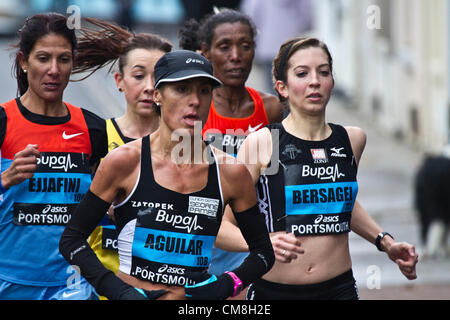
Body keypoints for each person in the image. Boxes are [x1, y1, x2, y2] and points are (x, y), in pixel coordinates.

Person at [59, 50, 275, 300]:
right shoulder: (125, 162)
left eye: (204, 91)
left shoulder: (230, 172)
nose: (195, 100)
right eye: (182, 89)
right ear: (158, 95)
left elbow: (263, 253)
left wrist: (226, 285)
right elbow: (72, 239)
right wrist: (118, 291)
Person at [235, 37, 419, 300]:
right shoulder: (263, 143)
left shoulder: (352, 140)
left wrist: (385, 242)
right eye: (302, 73)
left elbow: (340, 203)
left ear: (332, 82)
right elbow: (224, 223)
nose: (315, 81)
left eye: (324, 72)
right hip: (274, 290)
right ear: (282, 87)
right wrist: (260, 243)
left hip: (338, 289)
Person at [0, 13, 107, 299]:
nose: (54, 70)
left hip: (71, 283)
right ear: (24, 62)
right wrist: (5, 179)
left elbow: (107, 204)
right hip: (9, 280)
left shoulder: (93, 129)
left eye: (64, 59)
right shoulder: (3, 121)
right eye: (43, 58)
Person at [70, 18, 172, 299]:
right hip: (102, 286)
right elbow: (71, 217)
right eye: (139, 76)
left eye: (158, 77)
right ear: (119, 81)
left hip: (163, 286)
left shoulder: (185, 146)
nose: (150, 87)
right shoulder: (95, 136)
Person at [179, 8, 283, 277]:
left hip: (252, 241)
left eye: (245, 46)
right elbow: (183, 184)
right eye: (224, 47)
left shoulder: (269, 107)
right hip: (200, 242)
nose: (236, 57)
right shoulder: (193, 108)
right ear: (205, 53)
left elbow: (270, 180)